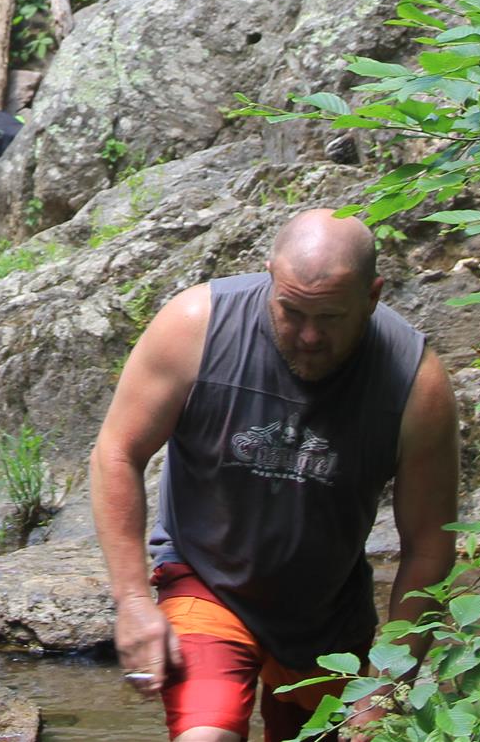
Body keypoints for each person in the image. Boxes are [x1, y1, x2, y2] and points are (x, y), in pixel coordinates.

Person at [90, 210, 460, 742]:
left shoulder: (415, 383)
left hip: (327, 613)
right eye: (290, 311)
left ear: (372, 295)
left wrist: (390, 682)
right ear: (269, 278)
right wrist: (131, 601)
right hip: (206, 580)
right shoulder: (195, 326)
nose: (308, 335)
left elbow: (428, 544)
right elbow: (117, 451)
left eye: (330, 317)